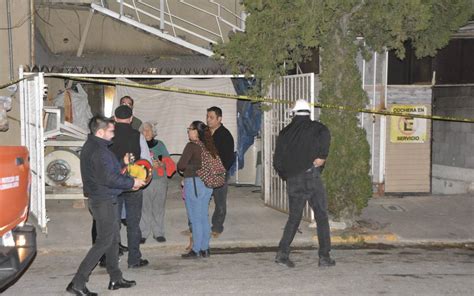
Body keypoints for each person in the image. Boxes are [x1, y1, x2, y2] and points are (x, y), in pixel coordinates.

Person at [66, 115, 145, 295]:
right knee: (103, 242)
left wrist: (122, 164)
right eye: (111, 130)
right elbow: (108, 178)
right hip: (103, 200)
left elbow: (108, 170)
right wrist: (132, 183)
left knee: (113, 240)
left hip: (105, 199)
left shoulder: (97, 146)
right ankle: (78, 282)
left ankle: (115, 278)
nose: (113, 133)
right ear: (100, 132)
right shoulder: (98, 151)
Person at [273, 99, 335, 268]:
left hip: (293, 180)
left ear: (294, 113)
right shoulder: (318, 128)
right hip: (312, 177)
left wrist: (288, 176)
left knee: (294, 218)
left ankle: (282, 254)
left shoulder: (285, 132)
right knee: (321, 216)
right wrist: (321, 157)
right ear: (309, 112)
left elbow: (277, 162)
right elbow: (325, 140)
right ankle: (324, 257)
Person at [110, 105, 151, 268]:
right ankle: (134, 259)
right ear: (131, 119)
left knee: (113, 223)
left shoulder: (108, 135)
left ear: (114, 118)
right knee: (133, 223)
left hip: (114, 183)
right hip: (133, 183)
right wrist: (144, 180)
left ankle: (112, 259)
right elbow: (146, 160)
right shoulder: (137, 136)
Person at [177, 121, 217, 259]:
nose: (188, 131)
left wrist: (186, 169)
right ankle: (205, 248)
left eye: (190, 129)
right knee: (203, 217)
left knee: (195, 218)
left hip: (194, 183)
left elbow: (181, 165)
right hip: (208, 183)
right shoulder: (209, 146)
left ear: (196, 132)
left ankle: (196, 249)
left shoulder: (192, 146)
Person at [139, 121, 175, 243]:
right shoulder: (138, 145)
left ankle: (158, 232)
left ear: (154, 132)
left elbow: (168, 161)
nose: (147, 132)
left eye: (149, 130)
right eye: (144, 130)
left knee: (159, 207)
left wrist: (161, 164)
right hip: (144, 181)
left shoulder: (160, 145)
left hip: (159, 180)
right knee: (145, 207)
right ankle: (143, 233)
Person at [206, 106, 234, 237]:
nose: (208, 120)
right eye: (207, 117)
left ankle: (217, 227)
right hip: (205, 173)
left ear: (219, 118)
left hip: (219, 173)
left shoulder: (225, 135)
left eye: (211, 117)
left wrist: (220, 172)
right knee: (201, 200)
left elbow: (228, 158)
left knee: (220, 202)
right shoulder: (205, 133)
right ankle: (195, 226)